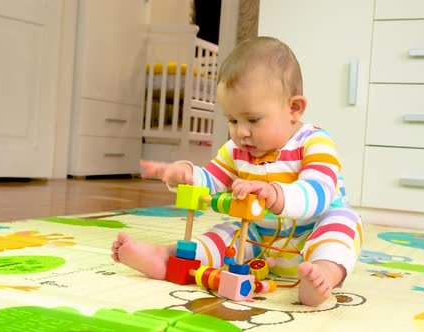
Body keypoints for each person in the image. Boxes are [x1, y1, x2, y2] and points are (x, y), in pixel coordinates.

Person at [111, 36, 363, 307]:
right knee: (226, 234)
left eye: (253, 120)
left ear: (294, 108)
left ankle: (322, 275)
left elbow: (319, 192)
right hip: (257, 238)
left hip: (310, 233)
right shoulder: (236, 149)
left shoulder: (314, 141)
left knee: (344, 222)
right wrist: (187, 175)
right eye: (232, 120)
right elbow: (213, 180)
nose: (241, 132)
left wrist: (275, 194)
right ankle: (168, 257)